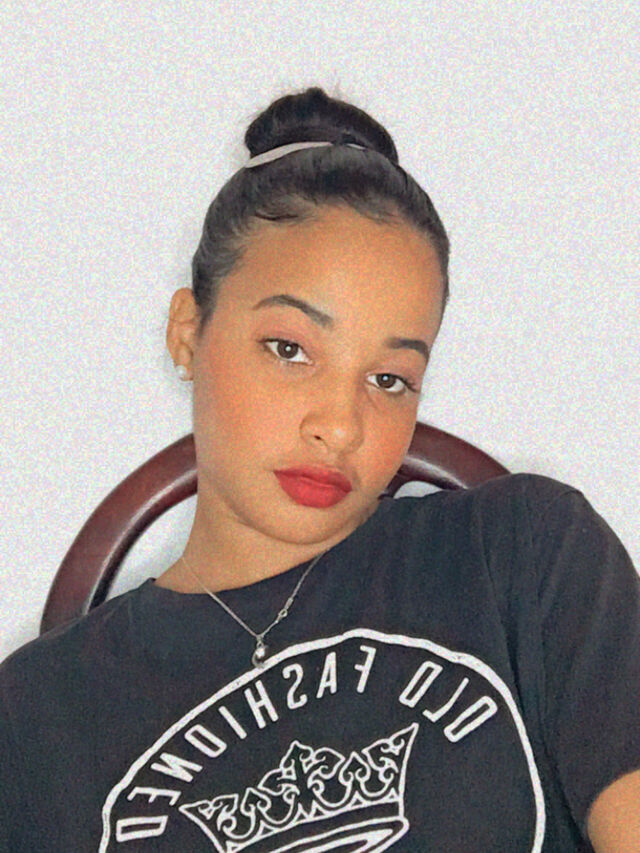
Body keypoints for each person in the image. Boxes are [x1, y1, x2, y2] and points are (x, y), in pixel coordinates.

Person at [0, 87, 638, 852]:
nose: (340, 425)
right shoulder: (33, 716)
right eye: (291, 349)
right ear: (188, 331)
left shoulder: (524, 553)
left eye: (389, 378)